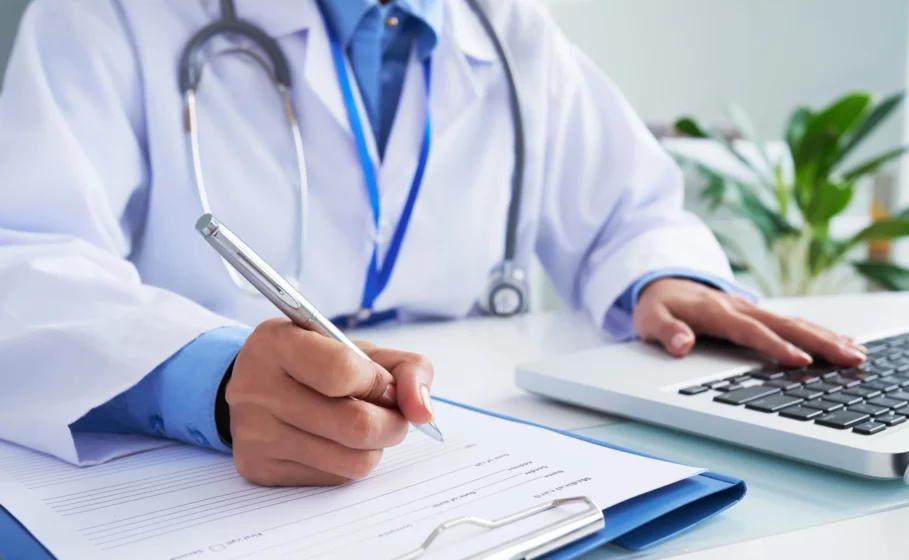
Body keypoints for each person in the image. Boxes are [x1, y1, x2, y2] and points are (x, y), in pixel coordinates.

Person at [0, 0, 865, 486]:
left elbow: (631, 211)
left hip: (467, 458)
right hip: (194, 487)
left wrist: (660, 275)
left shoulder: (512, 32)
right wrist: (213, 378)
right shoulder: (108, 15)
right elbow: (23, 256)